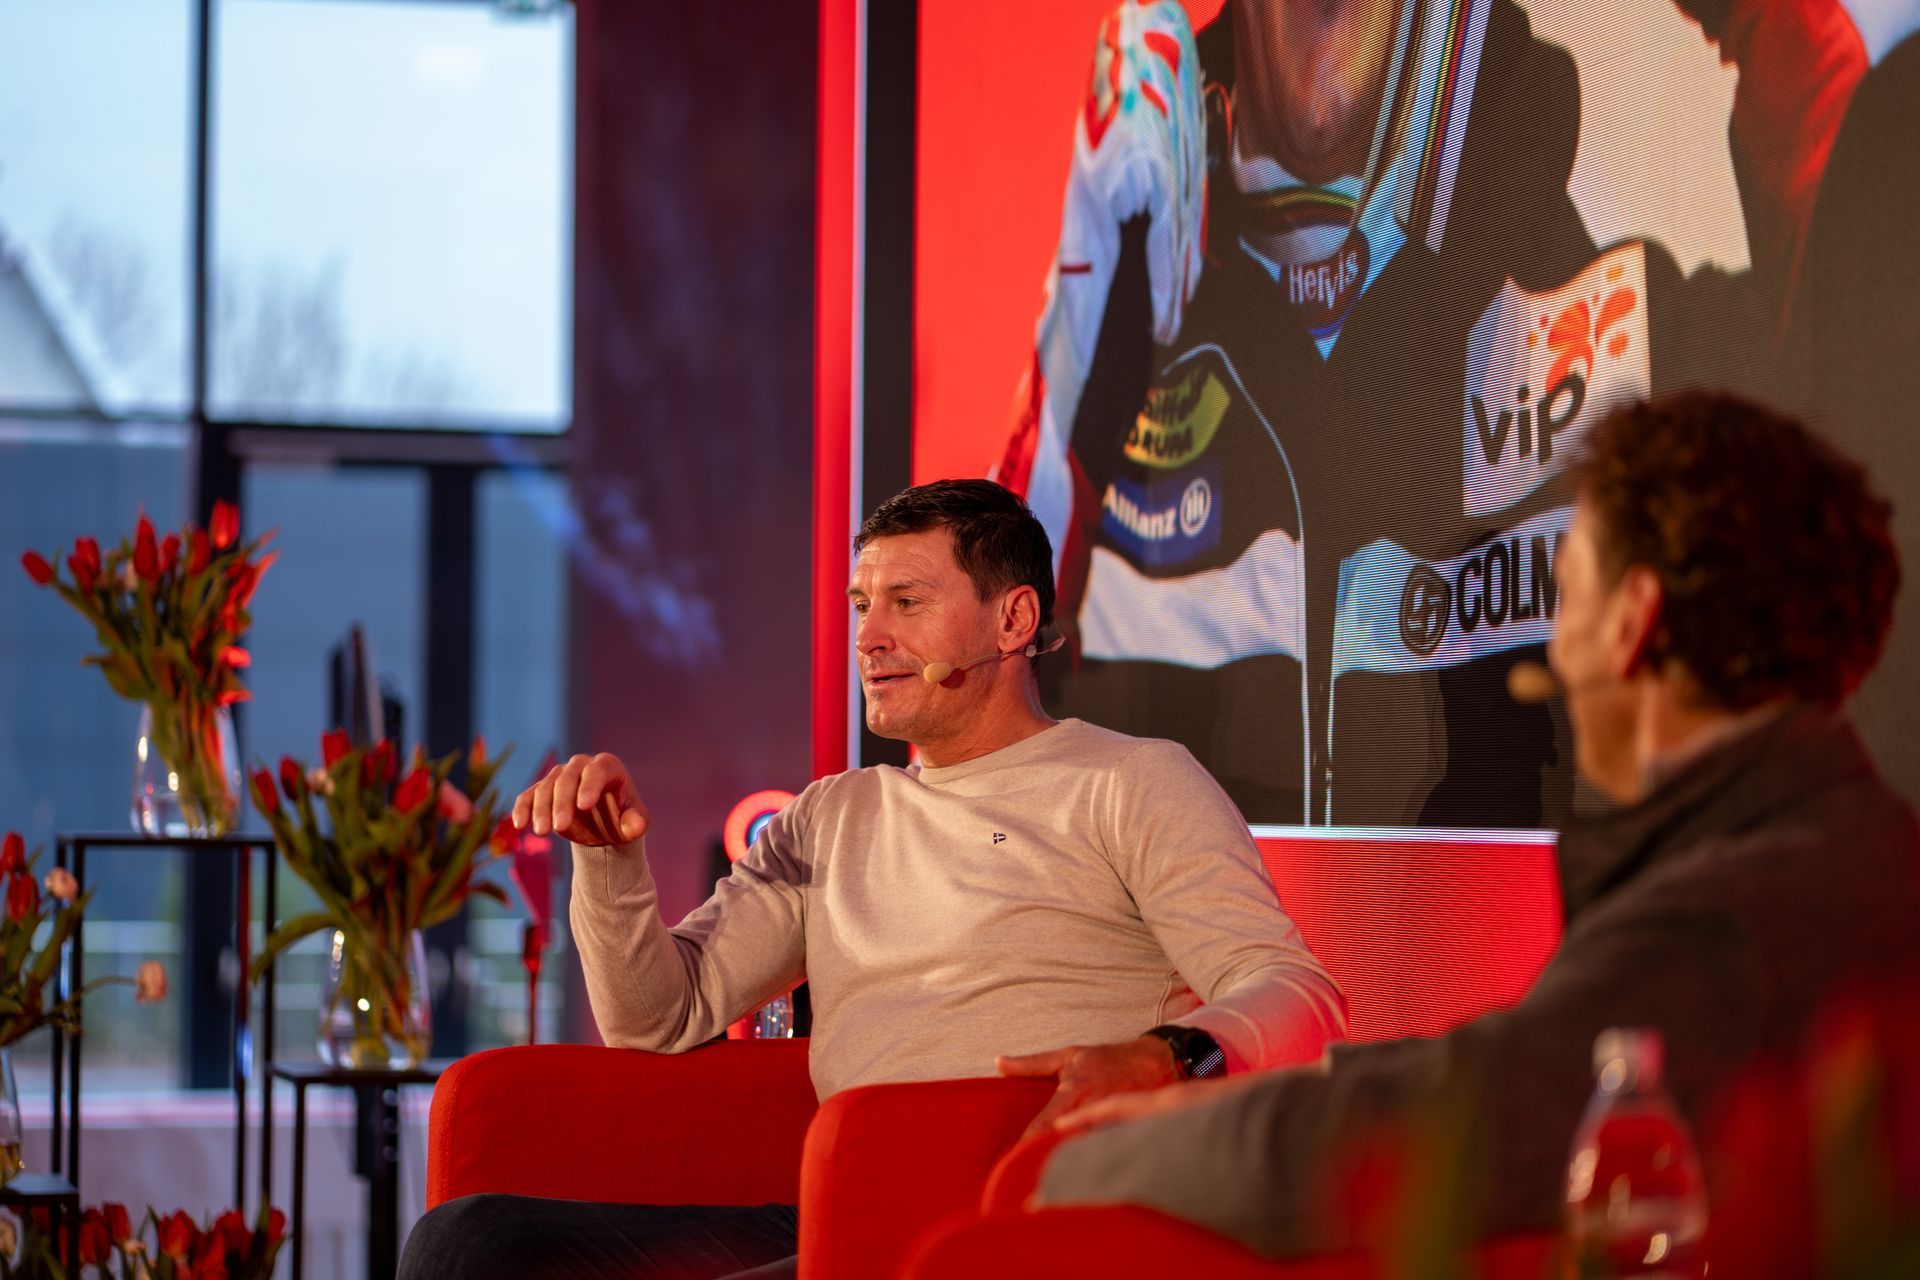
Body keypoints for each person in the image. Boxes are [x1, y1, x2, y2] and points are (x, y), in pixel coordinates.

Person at [1031, 389, 1920, 1265]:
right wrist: (1255, 1097)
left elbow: (1463, 1130)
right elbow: (1511, 1067)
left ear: (1631, 620)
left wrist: (1092, 1167)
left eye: (1566, 600)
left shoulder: (1722, 922)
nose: (1553, 656)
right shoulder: (1849, 851)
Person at [399, 478, 1346, 1280]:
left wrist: (1173, 1054)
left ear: (1014, 619)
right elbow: (656, 1019)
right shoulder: (832, 814)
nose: (869, 635)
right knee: (466, 1243)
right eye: (861, 604)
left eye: (907, 601)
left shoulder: (1132, 781)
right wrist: (609, 858)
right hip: (839, 1211)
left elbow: (1298, 991)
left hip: (1022, 1212)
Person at [992, 0, 1873, 828]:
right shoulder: (1124, 355)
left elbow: (1868, 431)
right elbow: (988, 793)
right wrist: (1074, 398)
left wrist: (1764, 13)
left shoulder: (1631, 348)